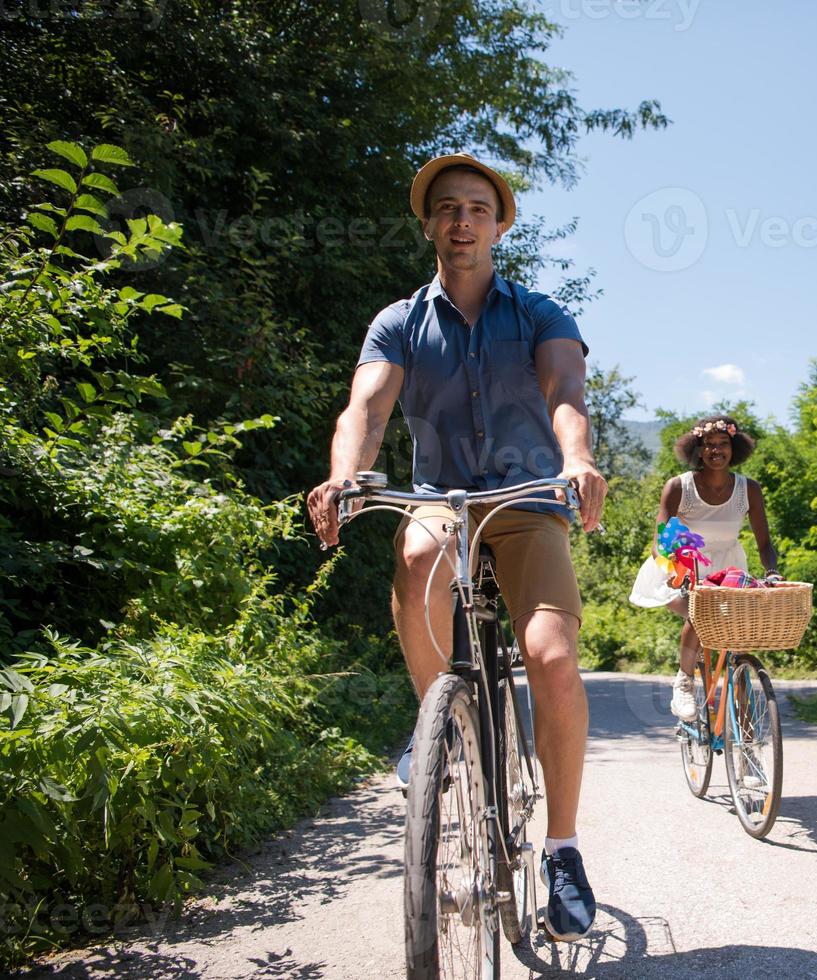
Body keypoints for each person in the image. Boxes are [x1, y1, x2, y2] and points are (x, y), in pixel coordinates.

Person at [305, 153, 606, 942]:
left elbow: (566, 393)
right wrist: (346, 475)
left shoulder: (539, 311)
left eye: (477, 207)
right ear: (429, 224)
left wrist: (574, 459)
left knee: (551, 660)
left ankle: (564, 853)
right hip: (440, 500)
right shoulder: (398, 321)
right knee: (413, 556)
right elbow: (364, 410)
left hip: (525, 499)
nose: (462, 219)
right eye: (447, 208)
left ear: (501, 224)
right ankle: (439, 721)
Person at [628, 415, 778, 720]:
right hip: (684, 566)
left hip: (728, 568)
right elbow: (660, 540)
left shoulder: (748, 489)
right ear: (698, 449)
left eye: (723, 443)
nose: (716, 450)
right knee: (701, 612)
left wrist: (771, 571)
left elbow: (765, 544)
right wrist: (672, 568)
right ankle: (684, 683)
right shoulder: (678, 487)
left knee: (737, 643)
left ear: (734, 448)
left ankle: (746, 728)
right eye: (708, 444)